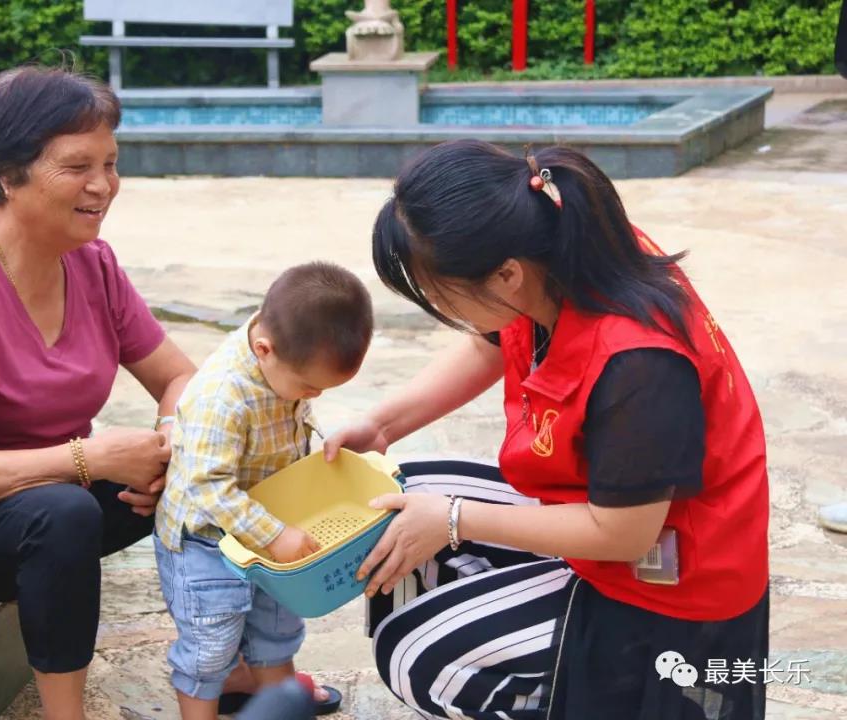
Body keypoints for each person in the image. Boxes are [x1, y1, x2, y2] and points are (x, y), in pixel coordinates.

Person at [325, 140, 770, 719]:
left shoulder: (639, 365)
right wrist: (382, 424)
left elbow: (626, 537)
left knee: (418, 651)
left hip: (671, 587)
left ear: (506, 275)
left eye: (438, 292)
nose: (438, 304)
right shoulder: (559, 248)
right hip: (604, 507)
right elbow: (492, 343)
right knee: (397, 503)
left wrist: (454, 519)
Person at [0, 66, 197, 720]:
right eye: (77, 166)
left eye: (110, 162)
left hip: (50, 492)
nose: (103, 186)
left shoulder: (91, 263)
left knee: (215, 449)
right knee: (63, 513)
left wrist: (168, 445)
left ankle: (230, 663)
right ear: (8, 172)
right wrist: (92, 459)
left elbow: (178, 378)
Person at [154, 262, 374, 719]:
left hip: (268, 525)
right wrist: (273, 534)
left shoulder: (286, 355)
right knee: (209, 646)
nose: (312, 396)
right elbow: (208, 487)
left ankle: (279, 704)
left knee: (276, 631)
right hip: (205, 544)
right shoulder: (223, 396)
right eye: (310, 387)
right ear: (264, 349)